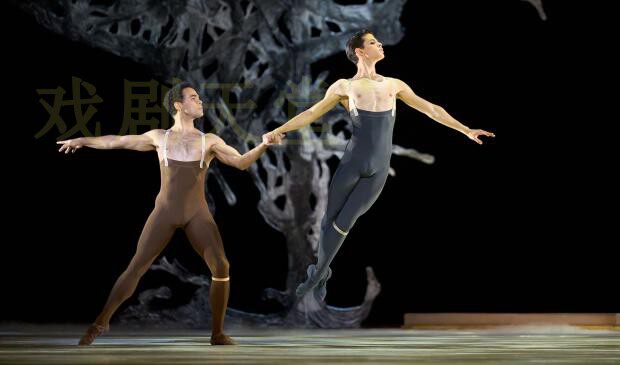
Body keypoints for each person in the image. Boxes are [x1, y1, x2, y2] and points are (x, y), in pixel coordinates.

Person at [263, 30, 494, 301]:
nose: (380, 44)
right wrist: (279, 130)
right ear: (360, 51)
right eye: (373, 42)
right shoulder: (343, 86)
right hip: (352, 162)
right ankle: (322, 273)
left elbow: (432, 109)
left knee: (345, 222)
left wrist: (465, 129)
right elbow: (311, 113)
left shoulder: (394, 85)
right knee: (328, 221)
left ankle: (316, 275)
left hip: (378, 168)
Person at [58, 82, 283, 345]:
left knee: (222, 266)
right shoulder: (159, 137)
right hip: (165, 211)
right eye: (194, 97)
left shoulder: (209, 140)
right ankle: (100, 322)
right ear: (179, 105)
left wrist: (263, 145)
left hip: (197, 214)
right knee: (136, 266)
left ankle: (217, 333)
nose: (200, 101)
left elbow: (241, 162)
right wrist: (82, 141)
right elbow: (116, 141)